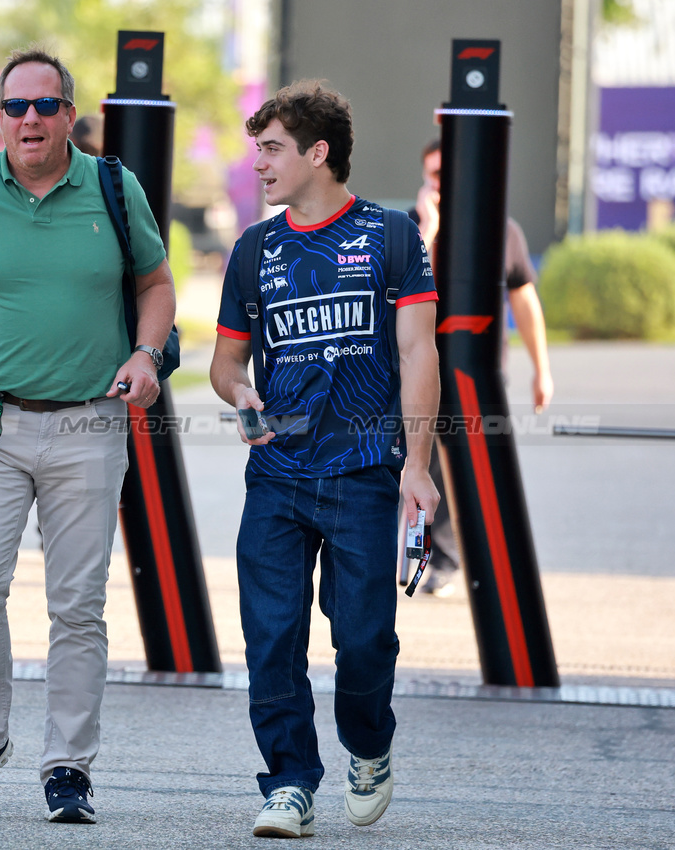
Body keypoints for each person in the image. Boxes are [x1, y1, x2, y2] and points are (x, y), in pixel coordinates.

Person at [0, 47, 175, 824]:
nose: (28, 120)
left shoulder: (111, 187)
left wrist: (144, 352)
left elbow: (156, 285)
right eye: (13, 108)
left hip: (87, 426)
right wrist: (2, 358)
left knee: (76, 606)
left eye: (43, 106)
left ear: (68, 113)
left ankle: (67, 766)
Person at [209, 80, 440, 838]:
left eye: (272, 150)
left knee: (364, 638)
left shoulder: (392, 235)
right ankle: (287, 782)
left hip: (365, 469)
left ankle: (368, 747)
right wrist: (239, 394)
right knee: (271, 638)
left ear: (317, 152)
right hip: (276, 475)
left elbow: (416, 353)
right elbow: (224, 364)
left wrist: (416, 465)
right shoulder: (253, 250)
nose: (260, 166)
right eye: (257, 151)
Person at [411, 137, 555, 595]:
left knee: (478, 469)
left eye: (445, 174)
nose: (438, 183)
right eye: (431, 174)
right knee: (420, 465)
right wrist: (430, 229)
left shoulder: (500, 230)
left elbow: (524, 301)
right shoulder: (408, 230)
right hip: (418, 372)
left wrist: (542, 368)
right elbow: (403, 287)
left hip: (478, 374)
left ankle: (475, 563)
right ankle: (427, 557)